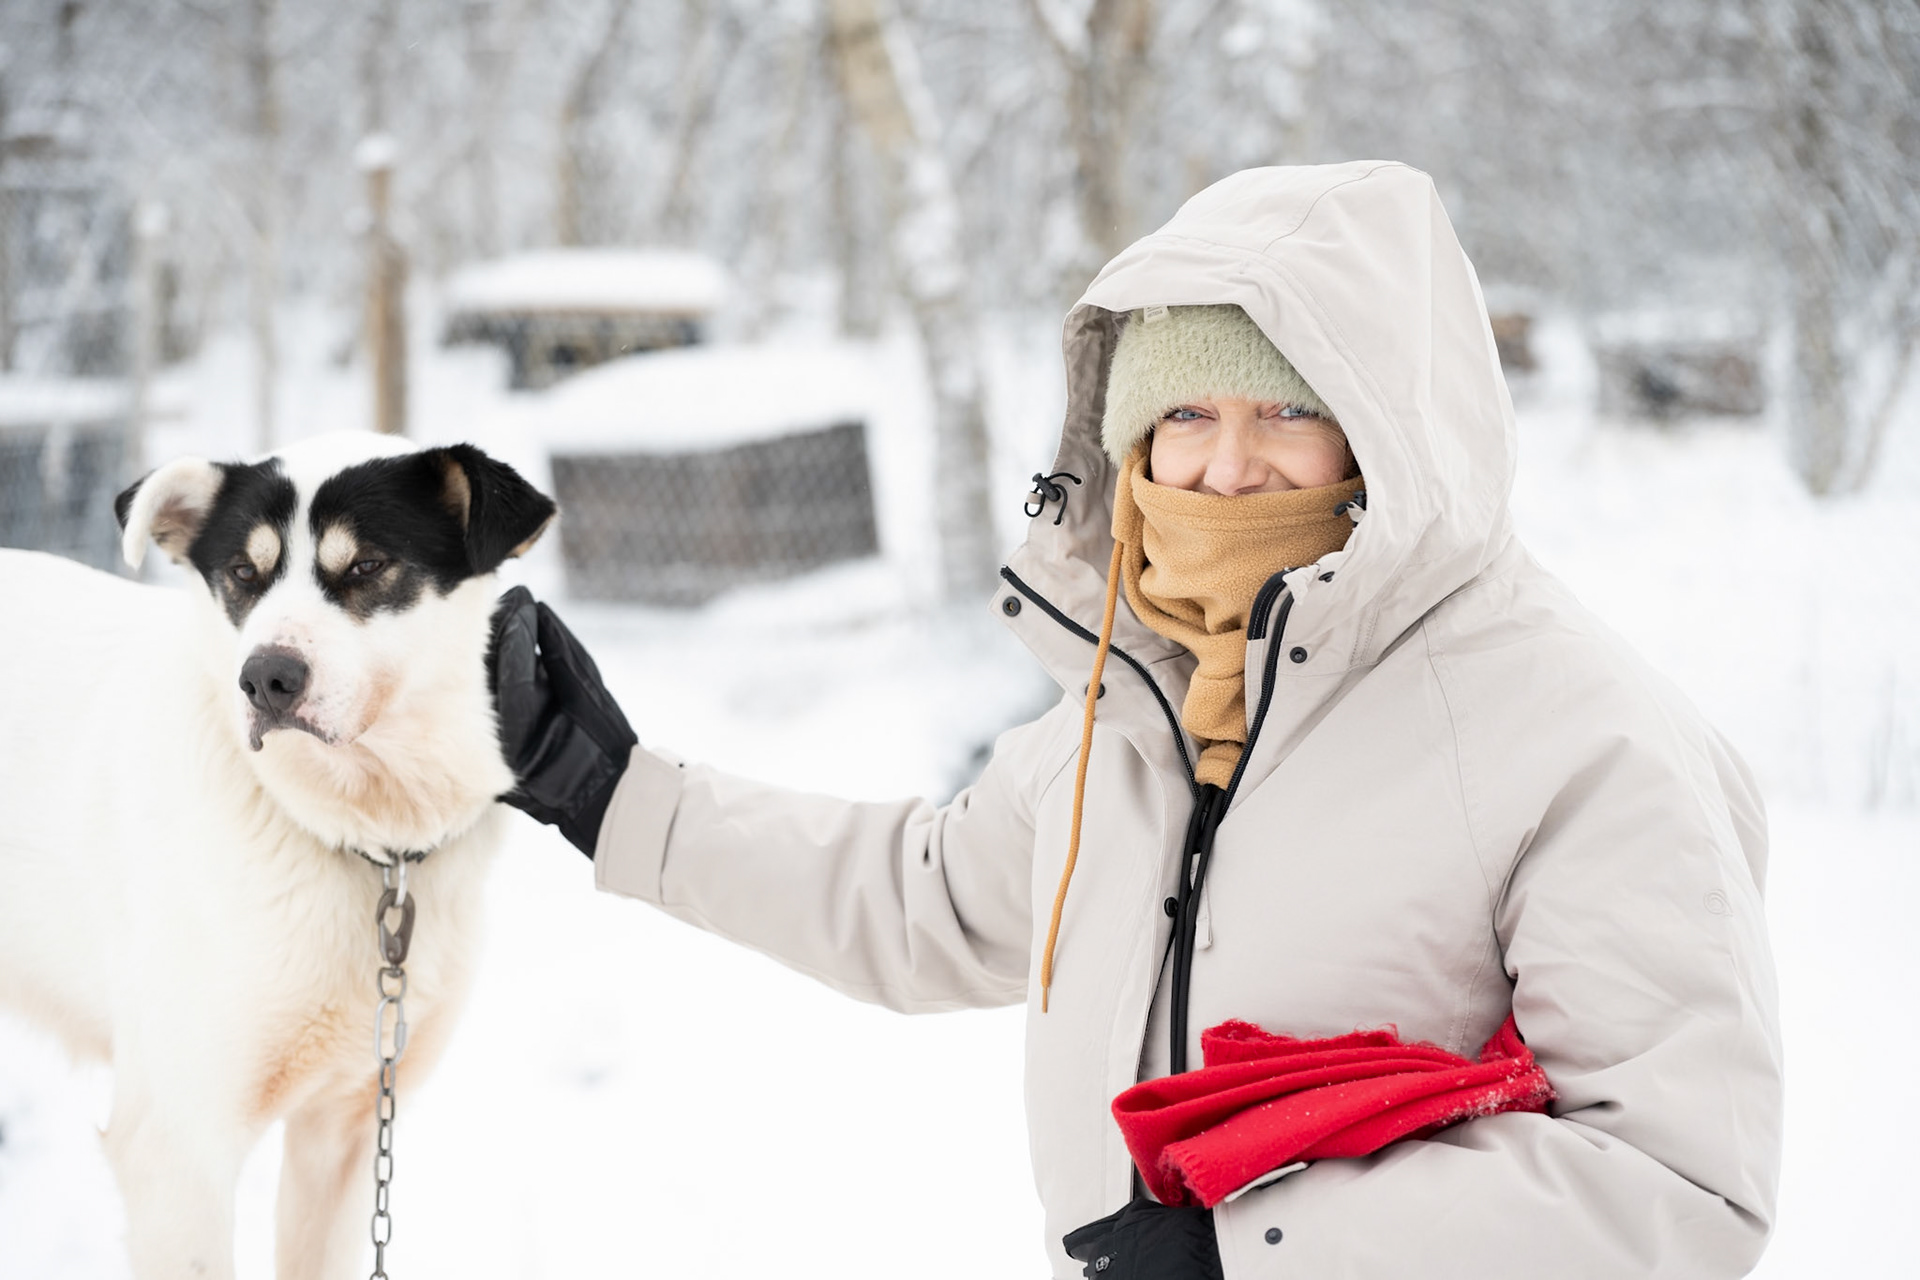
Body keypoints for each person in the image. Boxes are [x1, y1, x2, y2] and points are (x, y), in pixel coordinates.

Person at [489, 161, 1782, 1278]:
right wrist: (608, 793)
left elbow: (1675, 1182)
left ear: (1389, 434)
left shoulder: (1579, 737)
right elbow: (921, 902)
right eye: (1185, 416)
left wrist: (1258, 1257)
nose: (1227, 468)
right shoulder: (1133, 708)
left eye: (1287, 411)